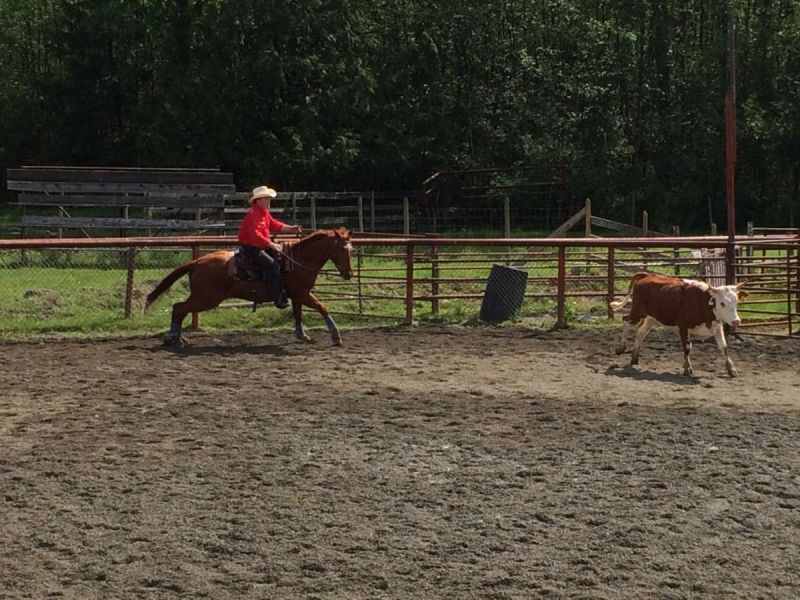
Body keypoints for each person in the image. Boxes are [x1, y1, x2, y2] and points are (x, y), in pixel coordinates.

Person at [237, 185, 302, 308]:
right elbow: (254, 235)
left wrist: (290, 228)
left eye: (269, 198)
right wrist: (270, 244)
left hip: (259, 245)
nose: (269, 201)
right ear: (259, 200)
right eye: (266, 198)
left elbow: (274, 224)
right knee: (272, 265)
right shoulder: (253, 214)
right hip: (251, 247)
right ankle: (277, 297)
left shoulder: (263, 212)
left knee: (280, 260)